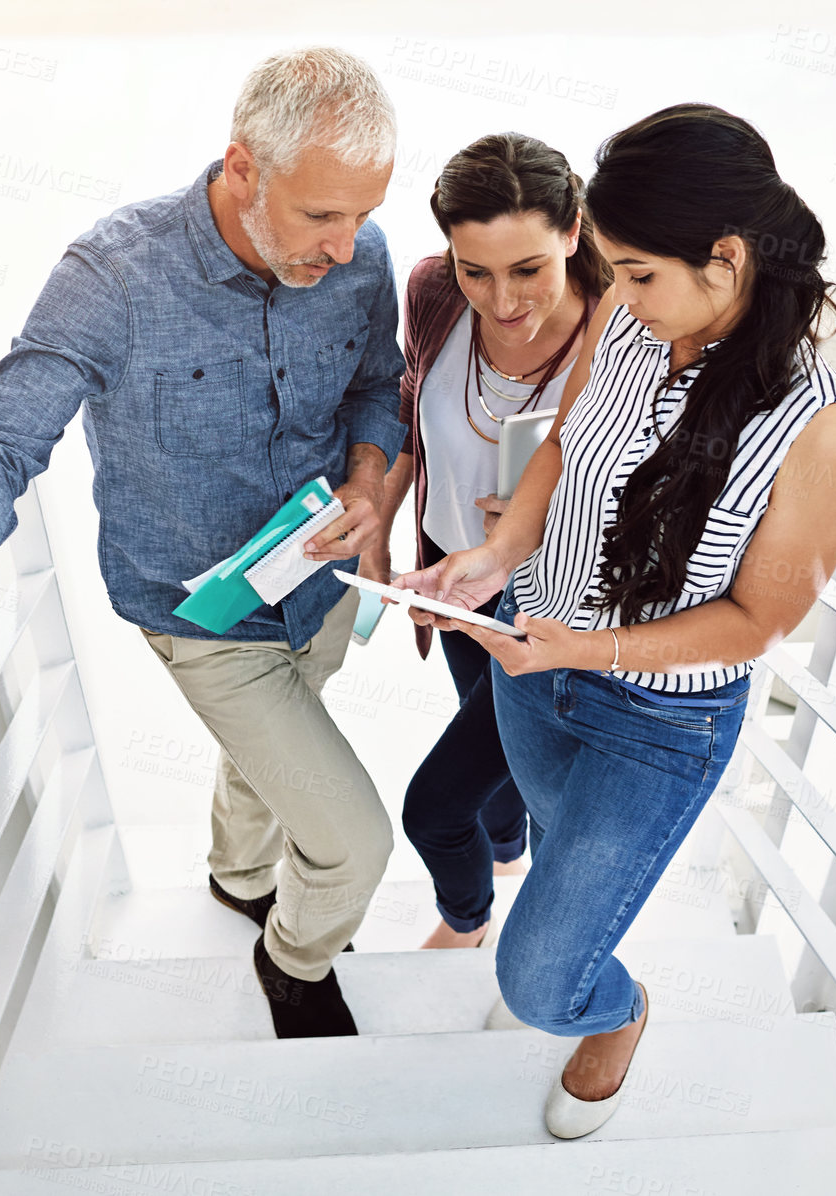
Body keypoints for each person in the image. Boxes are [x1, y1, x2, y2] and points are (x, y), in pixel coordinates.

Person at [0, 48, 407, 1039]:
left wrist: (366, 481)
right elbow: (14, 420)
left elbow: (373, 383)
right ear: (241, 166)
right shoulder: (111, 274)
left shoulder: (360, 259)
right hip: (200, 612)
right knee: (353, 843)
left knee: (271, 752)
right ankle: (292, 957)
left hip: (319, 585)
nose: (345, 243)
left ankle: (237, 882)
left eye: (360, 213)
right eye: (321, 215)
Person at [394, 103, 836, 1138]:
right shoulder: (624, 314)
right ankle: (572, 956)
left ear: (727, 256)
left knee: (537, 980)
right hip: (535, 665)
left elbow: (753, 624)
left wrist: (591, 646)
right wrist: (491, 558)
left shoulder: (820, 431)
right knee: (561, 867)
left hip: (657, 720)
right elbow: (562, 449)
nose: (615, 290)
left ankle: (617, 1011)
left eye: (639, 271)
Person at [364, 133, 610, 950]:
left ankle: (469, 920)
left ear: (574, 231)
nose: (501, 300)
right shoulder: (433, 292)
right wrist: (382, 524)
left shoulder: (622, 336)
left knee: (437, 808)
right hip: (449, 574)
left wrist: (552, 511)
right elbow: (409, 412)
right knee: (499, 766)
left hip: (545, 602)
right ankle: (504, 856)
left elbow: (655, 493)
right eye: (478, 270)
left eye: (528, 269)